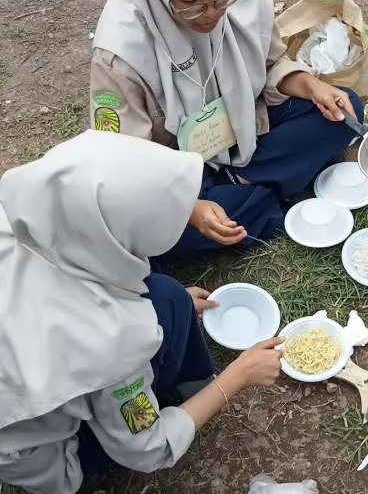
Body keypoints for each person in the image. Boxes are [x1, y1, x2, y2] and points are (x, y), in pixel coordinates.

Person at [0, 131, 284, 494]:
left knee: (167, 297)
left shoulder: (24, 213)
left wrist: (170, 303)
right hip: (47, 453)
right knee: (162, 306)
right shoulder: (108, 339)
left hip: (24, 385)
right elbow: (149, 451)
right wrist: (238, 375)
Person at [89, 0, 364, 258]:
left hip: (243, 127)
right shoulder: (121, 53)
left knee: (344, 111)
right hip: (173, 171)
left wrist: (312, 85)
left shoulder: (246, 0)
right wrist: (190, 209)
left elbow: (271, 66)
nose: (210, 14)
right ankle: (261, 192)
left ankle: (247, 193)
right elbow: (121, 160)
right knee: (134, 229)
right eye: (190, 2)